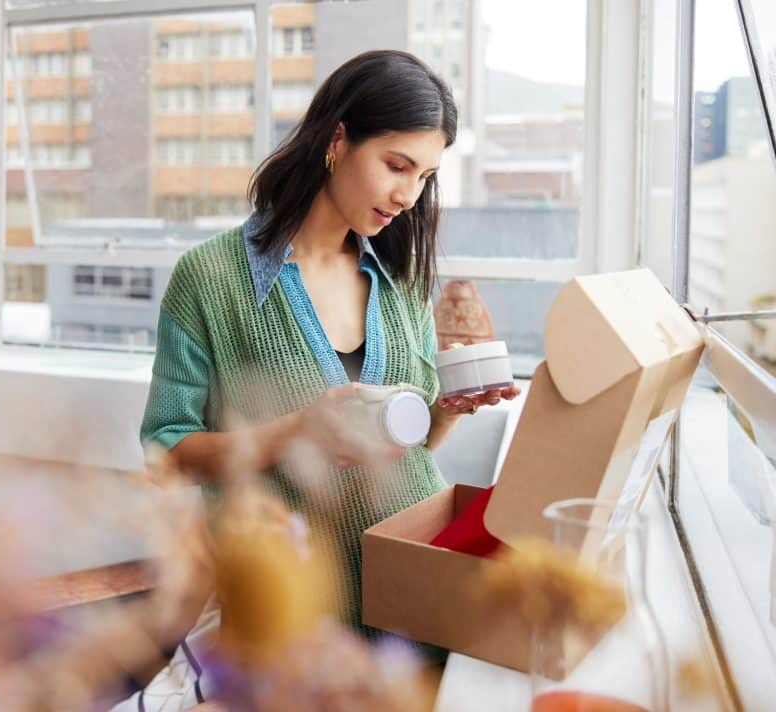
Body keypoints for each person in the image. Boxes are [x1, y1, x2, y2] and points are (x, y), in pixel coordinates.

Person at [140, 49, 519, 635]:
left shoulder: (401, 281)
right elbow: (166, 452)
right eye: (396, 165)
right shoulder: (210, 279)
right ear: (337, 140)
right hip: (299, 613)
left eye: (425, 177)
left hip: (414, 594)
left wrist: (445, 410)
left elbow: (412, 451)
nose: (408, 197)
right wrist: (293, 433)